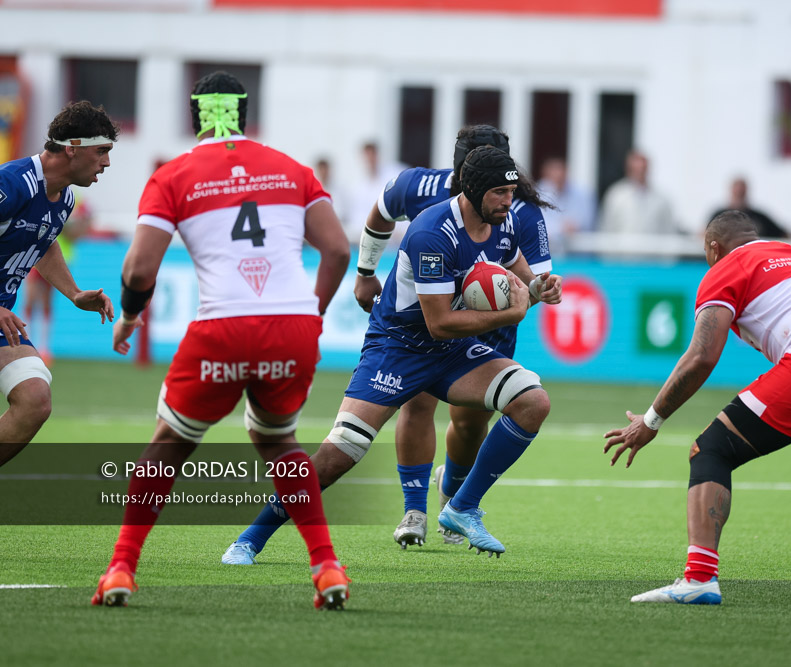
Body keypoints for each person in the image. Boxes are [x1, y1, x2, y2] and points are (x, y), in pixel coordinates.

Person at [221, 125, 555, 562]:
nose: (510, 202)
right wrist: (512, 311)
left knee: (533, 401)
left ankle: (462, 507)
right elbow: (438, 324)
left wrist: (540, 287)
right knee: (340, 453)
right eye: (500, 193)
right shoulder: (431, 233)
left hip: (453, 351)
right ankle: (251, 537)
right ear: (473, 190)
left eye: (511, 192)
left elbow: (515, 264)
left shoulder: (504, 218)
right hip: (400, 346)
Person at [91, 71, 352, 610]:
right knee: (280, 443)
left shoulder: (173, 175)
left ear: (194, 117)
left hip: (224, 326)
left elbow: (140, 269)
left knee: (168, 445)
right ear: (244, 112)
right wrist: (313, 317)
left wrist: (130, 317)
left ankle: (120, 567)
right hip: (292, 328)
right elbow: (338, 251)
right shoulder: (292, 169)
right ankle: (326, 566)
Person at [604, 210, 791, 605]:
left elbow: (701, 357)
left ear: (713, 248)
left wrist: (651, 420)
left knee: (710, 450)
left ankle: (698, 579)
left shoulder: (726, 266)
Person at [0, 101, 116, 466]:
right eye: (102, 151)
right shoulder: (11, 183)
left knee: (35, 399)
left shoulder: (64, 197)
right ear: (72, 148)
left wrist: (74, 293)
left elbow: (44, 242)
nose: (106, 163)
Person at [22, 194, 95, 363]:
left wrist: (74, 229)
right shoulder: (42, 191)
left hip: (60, 258)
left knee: (47, 302)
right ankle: (26, 345)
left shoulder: (76, 199)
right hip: (35, 252)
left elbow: (84, 225)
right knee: (30, 300)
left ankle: (44, 348)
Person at [598, 149, 676, 235]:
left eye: (642, 168)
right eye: (636, 168)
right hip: (622, 248)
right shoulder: (616, 195)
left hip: (652, 248)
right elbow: (606, 227)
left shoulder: (661, 199)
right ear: (628, 169)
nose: (640, 172)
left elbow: (668, 230)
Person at [342, 141, 405, 241]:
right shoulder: (359, 186)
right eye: (367, 156)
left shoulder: (395, 174)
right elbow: (358, 217)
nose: (370, 160)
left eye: (372, 155)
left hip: (397, 236)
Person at [537, 156, 596, 256]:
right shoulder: (537, 193)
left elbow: (587, 221)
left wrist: (572, 226)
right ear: (546, 174)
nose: (558, 175)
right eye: (554, 170)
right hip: (548, 253)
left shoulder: (582, 193)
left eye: (560, 170)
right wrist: (561, 228)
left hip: (579, 254)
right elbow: (538, 224)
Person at [710, 176, 788, 239]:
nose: (739, 195)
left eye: (741, 192)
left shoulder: (760, 218)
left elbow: (783, 234)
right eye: (737, 192)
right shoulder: (719, 216)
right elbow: (705, 235)